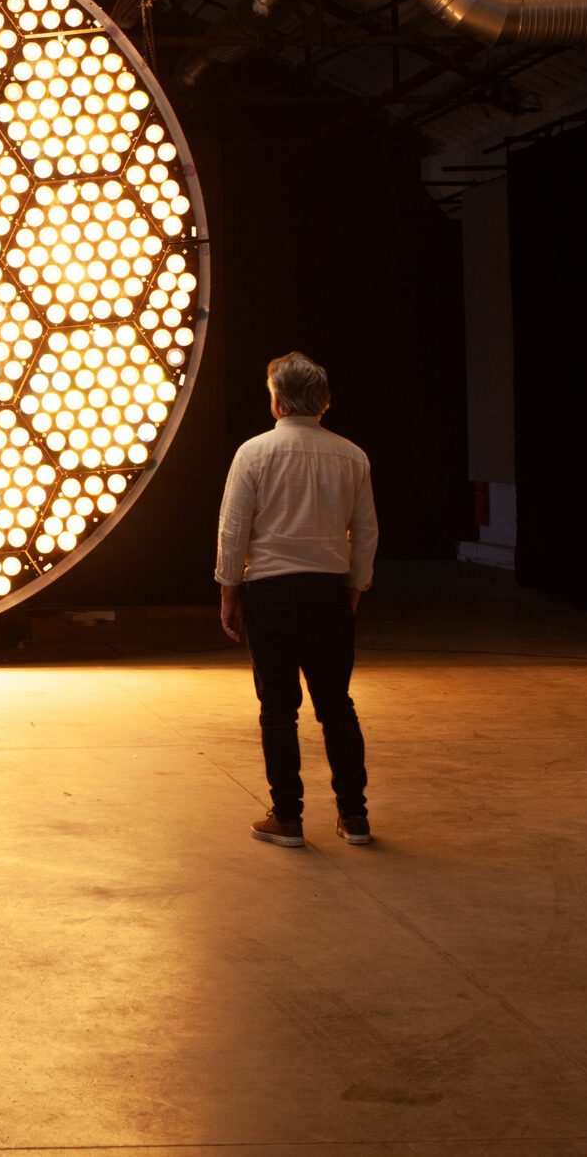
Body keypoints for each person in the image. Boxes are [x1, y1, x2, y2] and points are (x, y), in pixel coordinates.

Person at [215, 351, 378, 849]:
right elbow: (366, 533)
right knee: (337, 706)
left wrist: (228, 591)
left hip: (271, 594)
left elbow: (234, 530)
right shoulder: (352, 455)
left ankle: (287, 817)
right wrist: (353, 589)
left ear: (278, 400)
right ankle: (355, 817)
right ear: (321, 400)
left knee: (278, 711)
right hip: (329, 592)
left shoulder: (254, 453)